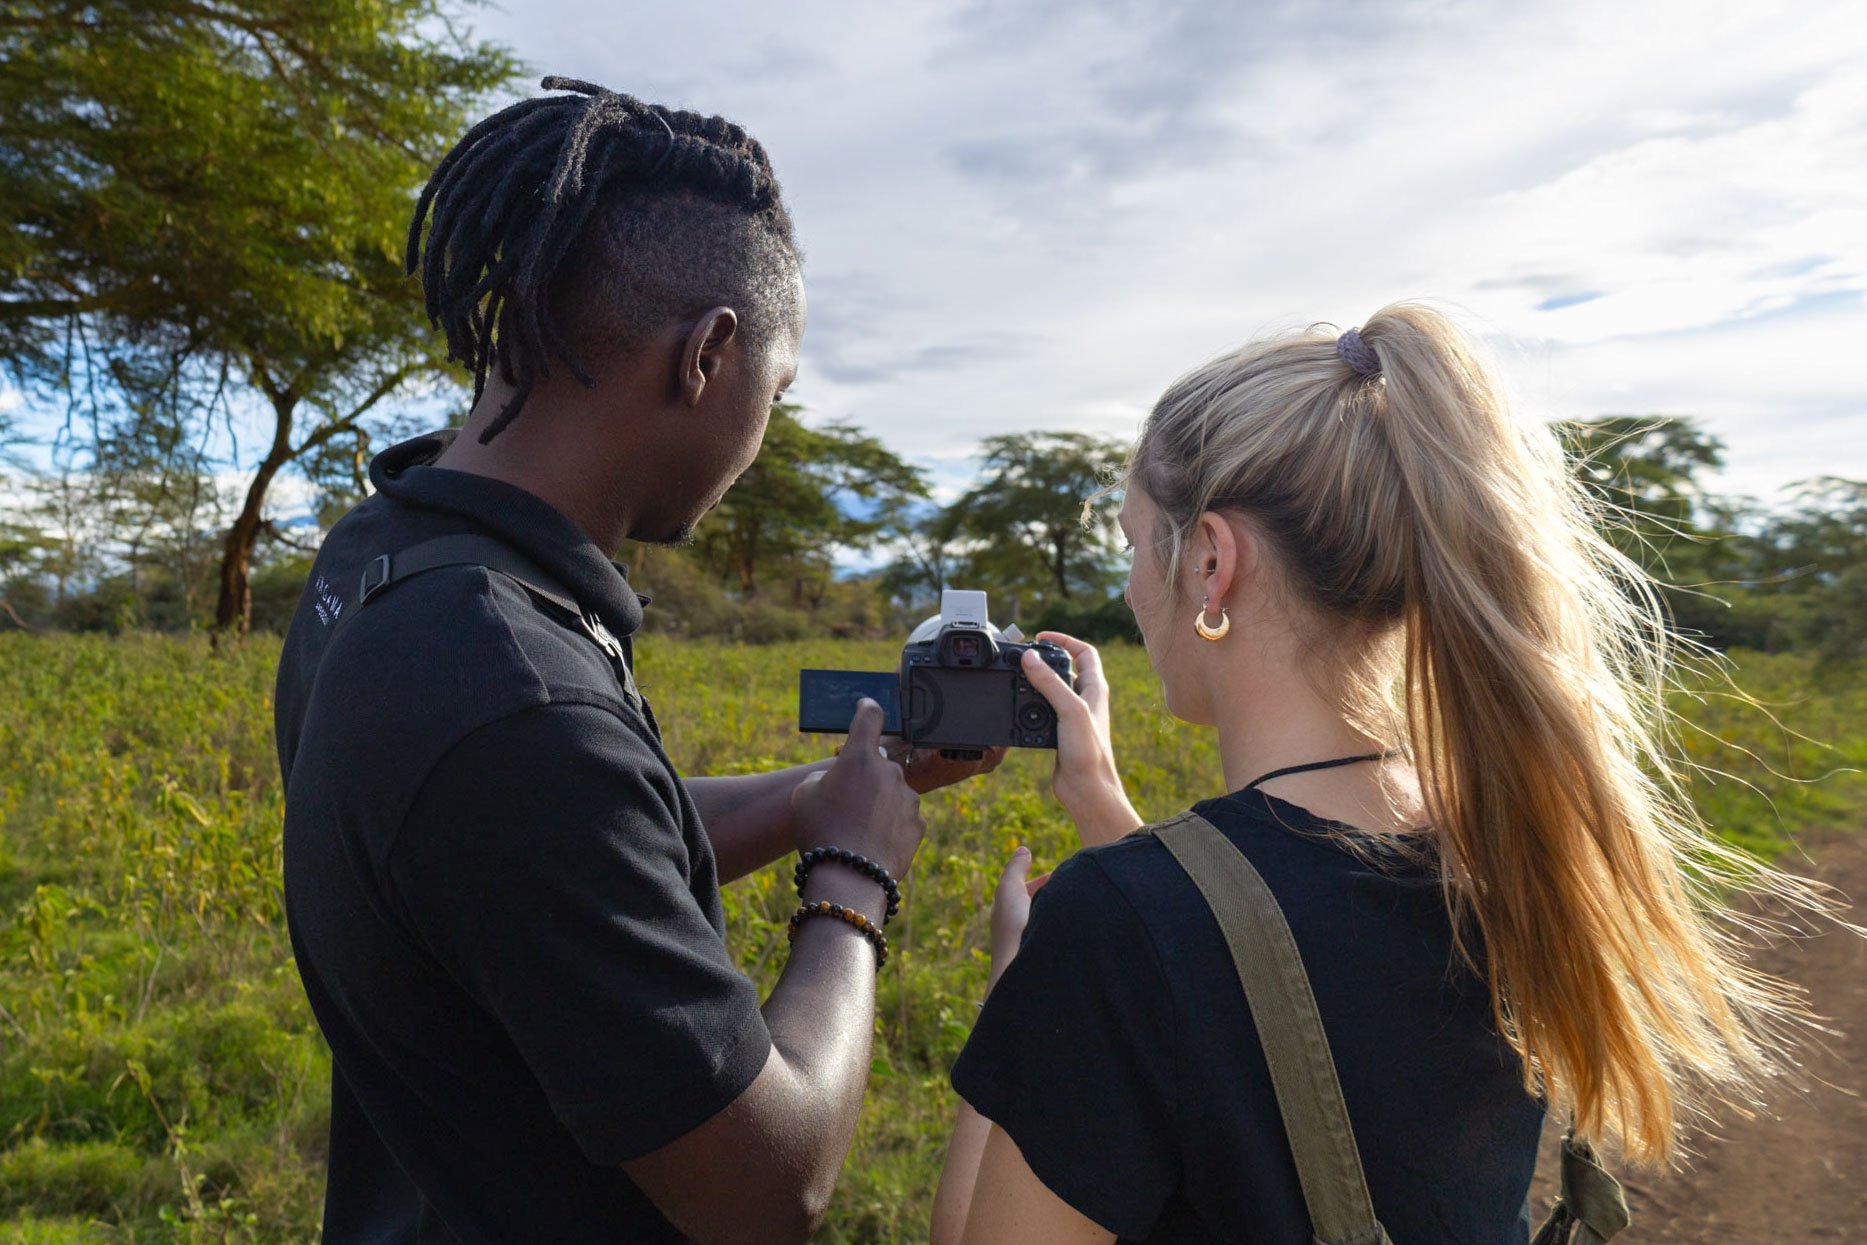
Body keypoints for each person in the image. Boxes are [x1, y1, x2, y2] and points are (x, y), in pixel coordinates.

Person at [275, 78, 997, 1244]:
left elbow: (562, 859)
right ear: (710, 354)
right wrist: (851, 876)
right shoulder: (515, 698)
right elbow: (769, 1186)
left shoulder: (389, 565)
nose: (763, 433)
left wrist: (826, 794)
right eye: (780, 386)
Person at [930, 303, 1816, 1244]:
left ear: (1210, 560)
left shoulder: (1112, 930)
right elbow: (1295, 974)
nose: (1129, 589)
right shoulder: (1510, 841)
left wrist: (1020, 984)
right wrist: (1105, 810)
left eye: (1134, 542)